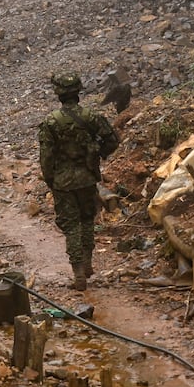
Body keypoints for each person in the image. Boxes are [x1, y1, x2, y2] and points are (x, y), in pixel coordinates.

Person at [37, 72, 120, 291]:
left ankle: (78, 273)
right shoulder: (91, 117)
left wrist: (50, 179)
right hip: (87, 178)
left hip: (63, 182)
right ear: (78, 91)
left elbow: (46, 156)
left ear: (58, 94)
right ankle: (88, 263)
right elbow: (112, 140)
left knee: (71, 225)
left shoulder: (51, 122)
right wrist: (96, 154)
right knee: (87, 220)